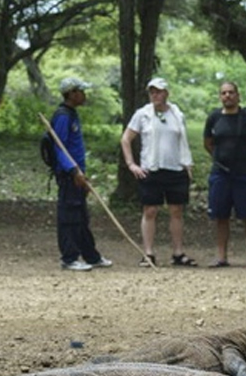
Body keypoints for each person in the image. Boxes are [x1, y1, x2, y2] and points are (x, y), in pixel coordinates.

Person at [120, 77, 196, 268]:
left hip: (176, 168)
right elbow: (126, 139)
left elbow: (182, 140)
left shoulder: (177, 113)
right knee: (150, 210)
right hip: (151, 169)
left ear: (166, 93)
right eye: (152, 91)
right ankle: (148, 253)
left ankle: (178, 253)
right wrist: (131, 164)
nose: (155, 95)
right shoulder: (142, 114)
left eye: (159, 91)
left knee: (176, 210)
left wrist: (187, 163)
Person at [51, 77, 112, 272]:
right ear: (72, 94)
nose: (84, 95)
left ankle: (91, 256)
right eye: (81, 92)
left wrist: (82, 173)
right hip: (69, 175)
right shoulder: (63, 116)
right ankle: (69, 258)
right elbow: (58, 147)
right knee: (69, 217)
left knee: (81, 217)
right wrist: (73, 170)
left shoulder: (72, 114)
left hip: (78, 174)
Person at [203, 81, 246, 268]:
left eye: (231, 92)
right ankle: (222, 256)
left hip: (244, 173)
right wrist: (219, 158)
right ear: (220, 96)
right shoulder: (214, 117)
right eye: (224, 93)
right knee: (221, 215)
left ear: (238, 95)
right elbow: (208, 143)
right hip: (220, 173)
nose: (227, 96)